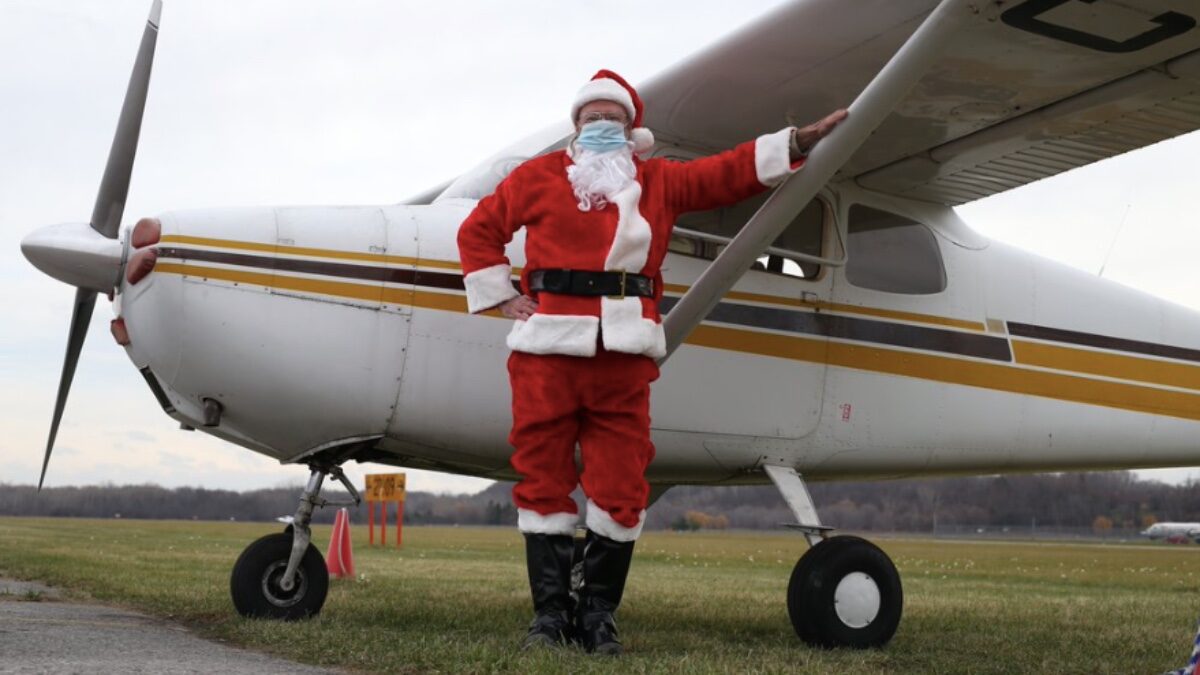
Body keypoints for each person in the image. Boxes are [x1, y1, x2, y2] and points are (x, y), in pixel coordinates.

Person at [457, 69, 846, 654]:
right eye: (592, 120)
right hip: (546, 358)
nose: (602, 129)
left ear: (632, 131)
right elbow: (479, 230)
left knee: (621, 490)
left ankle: (597, 618)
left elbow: (725, 174)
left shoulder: (660, 182)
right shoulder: (535, 178)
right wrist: (501, 292)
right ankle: (549, 618)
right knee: (542, 484)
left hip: (623, 360)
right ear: (575, 130)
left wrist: (794, 143)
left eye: (614, 121)